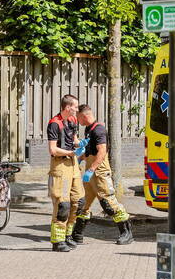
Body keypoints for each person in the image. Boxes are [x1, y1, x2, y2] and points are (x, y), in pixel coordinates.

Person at [70, 104, 133, 245]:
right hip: (90, 172)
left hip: (99, 172)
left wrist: (91, 169)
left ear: (84, 116)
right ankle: (77, 234)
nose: (77, 120)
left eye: (78, 117)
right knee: (82, 203)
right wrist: (80, 159)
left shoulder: (99, 130)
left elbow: (102, 151)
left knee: (108, 203)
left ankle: (126, 233)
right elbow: (89, 150)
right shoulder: (88, 129)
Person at [47, 94, 85, 252]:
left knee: (79, 201)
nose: (77, 110)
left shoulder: (73, 120)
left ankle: (68, 235)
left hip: (73, 163)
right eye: (75, 107)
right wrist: (70, 153)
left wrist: (81, 143)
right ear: (67, 107)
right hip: (61, 164)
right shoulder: (54, 124)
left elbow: (74, 139)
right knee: (63, 204)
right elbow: (53, 149)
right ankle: (58, 240)